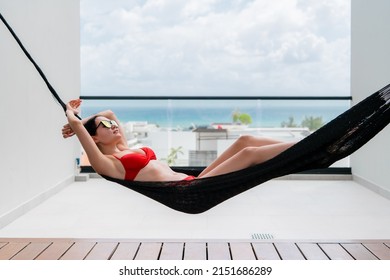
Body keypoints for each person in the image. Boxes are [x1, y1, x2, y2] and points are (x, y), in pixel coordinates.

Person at [63, 99, 296, 182]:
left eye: (113, 125)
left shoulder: (123, 146)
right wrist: (74, 120)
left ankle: (306, 143)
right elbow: (77, 126)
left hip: (194, 180)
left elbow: (111, 112)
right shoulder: (107, 162)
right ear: (94, 138)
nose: (113, 125)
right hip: (189, 191)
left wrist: (90, 121)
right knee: (248, 155)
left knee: (244, 141)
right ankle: (303, 147)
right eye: (105, 126)